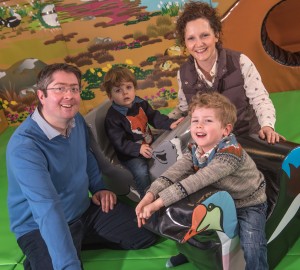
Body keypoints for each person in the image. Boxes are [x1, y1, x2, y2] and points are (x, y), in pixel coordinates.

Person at [6, 63, 157, 270]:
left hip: (82, 211)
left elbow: (86, 154)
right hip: (39, 225)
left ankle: (73, 239)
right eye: (59, 88)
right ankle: (48, 252)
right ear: (41, 96)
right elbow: (47, 209)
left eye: (74, 89)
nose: (69, 95)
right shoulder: (25, 147)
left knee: (144, 233)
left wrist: (99, 187)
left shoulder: (74, 119)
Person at [136, 92, 268, 270]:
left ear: (225, 130)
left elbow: (195, 182)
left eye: (208, 121)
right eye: (195, 120)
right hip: (220, 196)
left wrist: (157, 204)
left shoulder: (229, 155)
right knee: (183, 219)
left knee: (253, 244)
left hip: (247, 202)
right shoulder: (195, 148)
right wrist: (149, 196)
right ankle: (188, 253)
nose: (199, 125)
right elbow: (173, 173)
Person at [169, 1, 285, 144]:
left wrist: (267, 125)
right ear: (185, 43)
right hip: (213, 144)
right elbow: (184, 108)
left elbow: (260, 99)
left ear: (216, 35)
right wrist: (167, 122)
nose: (199, 44)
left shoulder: (240, 62)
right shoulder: (183, 74)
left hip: (247, 138)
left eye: (205, 35)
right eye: (191, 38)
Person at [103, 66, 183, 198]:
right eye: (118, 90)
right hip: (131, 154)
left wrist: (169, 123)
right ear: (110, 96)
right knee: (141, 172)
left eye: (128, 88)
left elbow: (154, 116)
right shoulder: (112, 118)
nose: (125, 93)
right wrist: (137, 148)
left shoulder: (140, 103)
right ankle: (146, 199)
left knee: (172, 143)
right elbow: (120, 143)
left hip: (149, 140)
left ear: (134, 88)